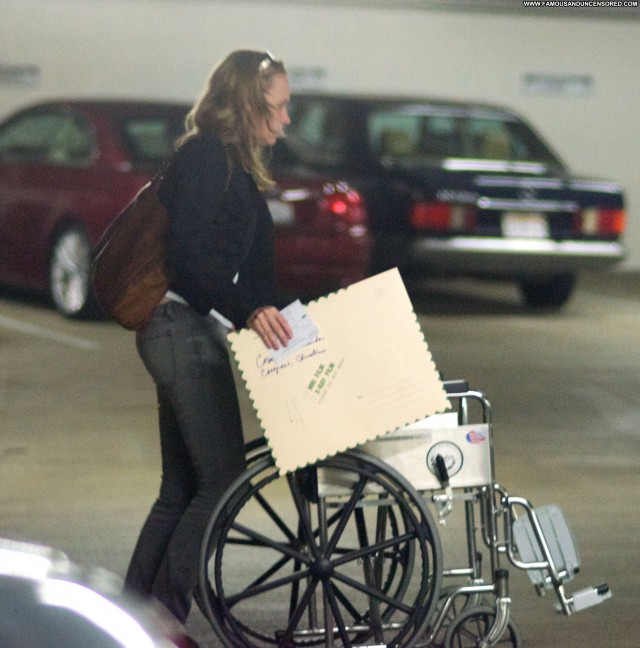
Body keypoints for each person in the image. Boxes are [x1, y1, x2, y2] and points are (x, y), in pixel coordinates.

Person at [124, 49, 294, 625]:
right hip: (179, 329)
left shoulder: (237, 170)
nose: (286, 119)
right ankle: (163, 621)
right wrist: (250, 311)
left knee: (181, 489)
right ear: (247, 102)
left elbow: (259, 278)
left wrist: (300, 317)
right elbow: (188, 260)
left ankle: (129, 620)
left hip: (189, 331)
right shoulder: (204, 158)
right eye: (279, 106)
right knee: (222, 480)